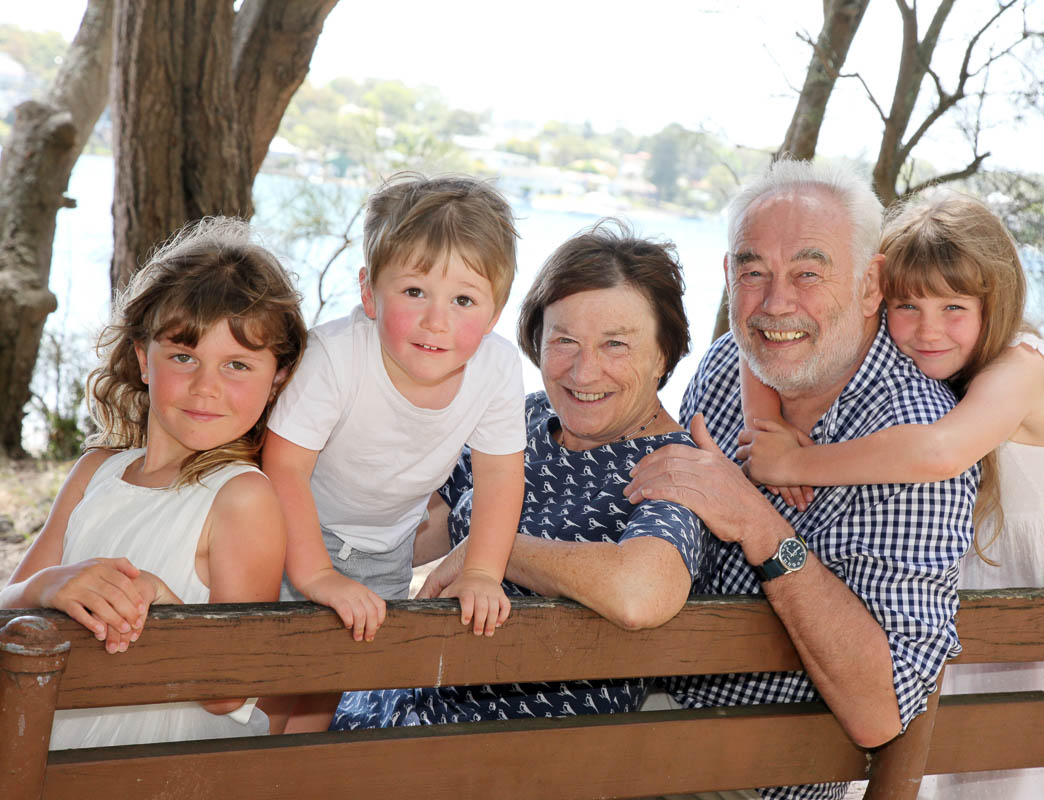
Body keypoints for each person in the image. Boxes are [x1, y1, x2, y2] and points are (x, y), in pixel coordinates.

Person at [736, 192, 1044, 800]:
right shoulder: (929, 356)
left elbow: (938, 452)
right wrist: (768, 417)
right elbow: (761, 345)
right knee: (990, 771)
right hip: (992, 576)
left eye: (954, 306)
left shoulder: (1022, 371)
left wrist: (797, 461)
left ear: (993, 304)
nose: (927, 329)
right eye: (907, 305)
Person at [622, 160, 978, 800]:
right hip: (643, 715)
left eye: (808, 274)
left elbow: (880, 709)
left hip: (753, 776)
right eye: (753, 272)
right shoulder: (737, 360)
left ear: (872, 286)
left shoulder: (911, 437)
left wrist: (760, 526)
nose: (776, 302)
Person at [332, 221, 711, 730]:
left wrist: (491, 551)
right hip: (398, 707)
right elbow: (421, 521)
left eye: (615, 345)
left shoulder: (674, 465)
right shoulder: (525, 418)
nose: (583, 372)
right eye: (564, 341)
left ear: (664, 352)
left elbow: (639, 593)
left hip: (508, 748)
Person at [1, 217, 306, 749]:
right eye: (184, 357)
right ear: (144, 358)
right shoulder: (97, 471)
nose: (206, 387)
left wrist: (165, 608)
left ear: (276, 377)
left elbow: (229, 692)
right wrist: (42, 587)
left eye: (237, 364)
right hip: (46, 742)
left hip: (154, 761)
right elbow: (10, 610)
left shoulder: (242, 498)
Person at [263, 172, 527, 732]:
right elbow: (283, 469)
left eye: (463, 300)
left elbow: (501, 478)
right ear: (369, 293)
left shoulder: (497, 368)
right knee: (267, 683)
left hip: (388, 546)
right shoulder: (335, 356)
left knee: (326, 687)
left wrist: (481, 571)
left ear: (496, 312)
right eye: (414, 292)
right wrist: (316, 575)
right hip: (290, 531)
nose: (437, 320)